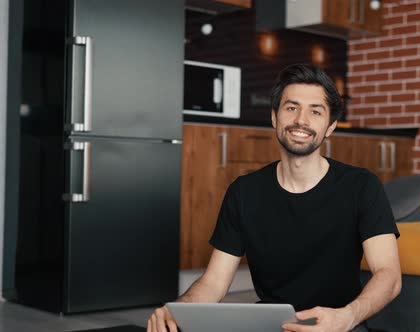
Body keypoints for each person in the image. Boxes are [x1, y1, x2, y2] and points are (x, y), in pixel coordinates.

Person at [147, 63, 401, 332]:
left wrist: (348, 316)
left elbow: (389, 274)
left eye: (316, 111)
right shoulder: (244, 192)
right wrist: (177, 311)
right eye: (291, 108)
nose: (301, 120)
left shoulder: (362, 186)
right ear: (274, 117)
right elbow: (213, 283)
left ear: (330, 126)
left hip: (340, 325)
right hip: (272, 326)